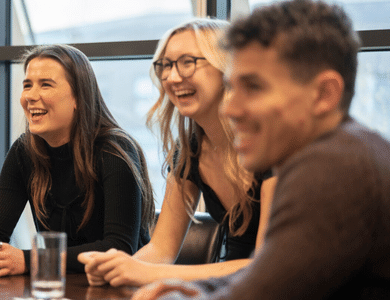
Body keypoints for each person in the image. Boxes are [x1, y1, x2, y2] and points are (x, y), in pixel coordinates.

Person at [132, 0, 390, 299]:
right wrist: (192, 287)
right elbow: (272, 274)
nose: (230, 107)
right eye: (232, 86)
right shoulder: (341, 152)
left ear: (324, 94)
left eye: (254, 87)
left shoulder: (338, 165)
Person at [78, 18, 276, 287]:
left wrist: (145, 273)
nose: (172, 77)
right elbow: (162, 250)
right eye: (166, 65)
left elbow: (267, 265)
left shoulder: (272, 147)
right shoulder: (189, 151)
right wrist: (117, 268)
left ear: (226, 67)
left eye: (187, 62)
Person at [0, 44, 155, 276]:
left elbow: (118, 249)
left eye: (46, 85)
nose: (30, 96)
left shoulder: (115, 151)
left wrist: (31, 260)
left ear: (78, 98)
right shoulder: (24, 151)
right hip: (56, 287)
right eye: (27, 85)